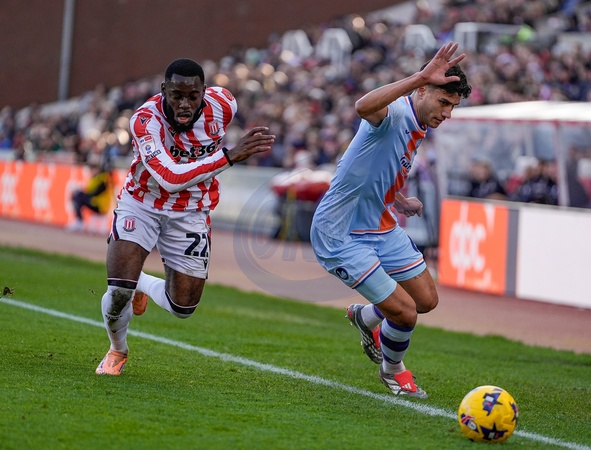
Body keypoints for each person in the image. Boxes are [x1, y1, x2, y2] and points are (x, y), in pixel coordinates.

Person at [310, 42, 471, 398]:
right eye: (444, 102)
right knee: (405, 313)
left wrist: (399, 199)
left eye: (453, 106)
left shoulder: (419, 124)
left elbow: (372, 168)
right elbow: (362, 106)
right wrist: (418, 77)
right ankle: (392, 370)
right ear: (423, 90)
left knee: (426, 300)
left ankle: (367, 317)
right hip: (341, 234)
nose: (447, 113)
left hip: (381, 225)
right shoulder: (395, 113)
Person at [95, 58, 275, 375]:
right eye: (176, 95)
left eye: (193, 96)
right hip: (143, 202)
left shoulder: (225, 104)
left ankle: (142, 284)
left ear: (204, 92)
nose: (184, 104)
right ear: (164, 90)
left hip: (191, 210)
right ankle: (117, 350)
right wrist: (229, 156)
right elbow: (169, 178)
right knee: (119, 290)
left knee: (182, 307)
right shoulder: (145, 120)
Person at [66, 158, 113, 232]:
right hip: (94, 203)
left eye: (93, 169)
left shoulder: (103, 178)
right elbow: (89, 191)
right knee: (77, 196)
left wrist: (86, 195)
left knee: (78, 196)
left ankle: (80, 221)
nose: (92, 171)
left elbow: (98, 191)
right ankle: (79, 219)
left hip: (101, 205)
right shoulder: (93, 179)